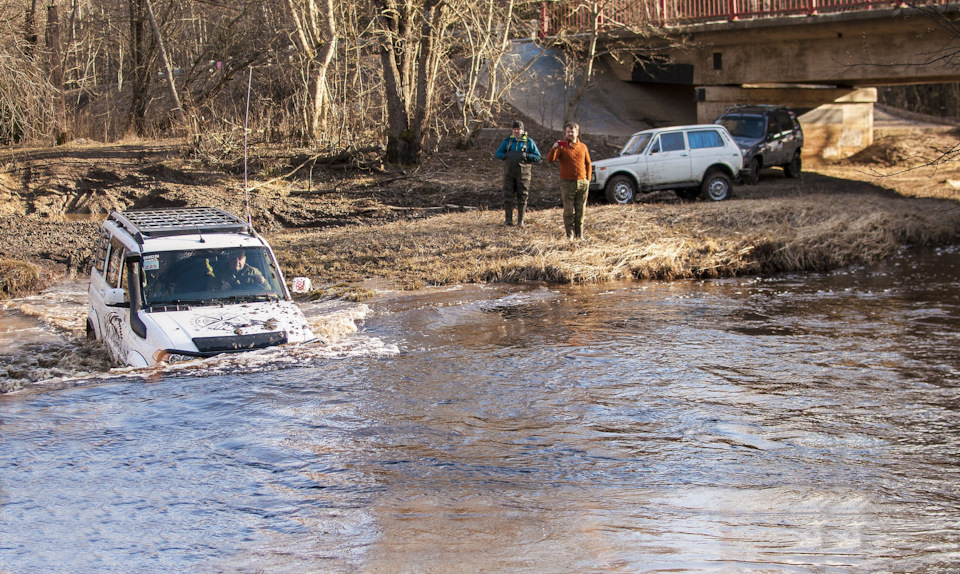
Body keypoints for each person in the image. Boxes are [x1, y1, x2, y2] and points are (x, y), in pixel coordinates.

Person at [547, 121, 592, 240]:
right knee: (568, 211)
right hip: (567, 183)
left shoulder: (583, 147)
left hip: (582, 182)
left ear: (577, 132)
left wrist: (588, 179)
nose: (570, 134)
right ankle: (570, 235)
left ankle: (580, 234)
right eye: (568, 132)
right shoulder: (561, 146)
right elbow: (550, 160)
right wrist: (554, 148)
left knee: (580, 211)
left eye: (572, 132)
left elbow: (588, 163)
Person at [495, 120, 541, 227]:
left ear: (522, 130)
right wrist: (505, 156)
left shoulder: (529, 142)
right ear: (512, 130)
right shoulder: (507, 141)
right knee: (507, 196)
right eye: (515, 129)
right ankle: (508, 220)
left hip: (524, 175)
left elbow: (538, 157)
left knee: (522, 197)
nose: (516, 131)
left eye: (518, 129)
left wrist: (527, 156)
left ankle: (521, 221)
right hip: (509, 175)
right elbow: (498, 153)